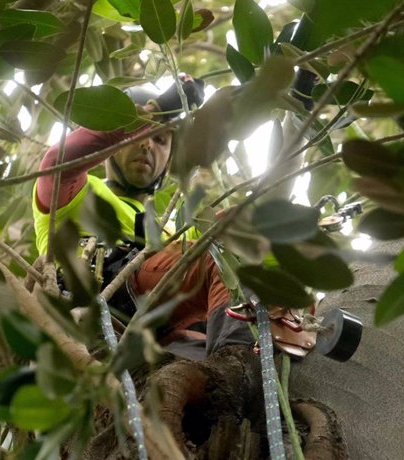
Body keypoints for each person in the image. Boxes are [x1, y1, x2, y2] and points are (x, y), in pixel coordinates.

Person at [33, 77, 252, 360]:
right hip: (103, 311)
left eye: (160, 140)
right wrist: (155, 110)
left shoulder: (176, 230)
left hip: (174, 337)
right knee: (219, 252)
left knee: (240, 232)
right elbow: (57, 163)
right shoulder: (78, 195)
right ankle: (235, 363)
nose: (148, 145)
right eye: (138, 136)